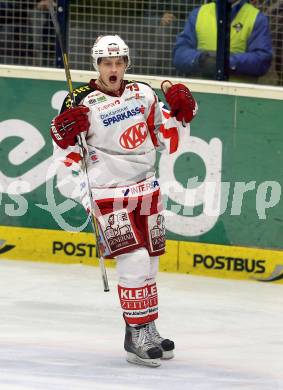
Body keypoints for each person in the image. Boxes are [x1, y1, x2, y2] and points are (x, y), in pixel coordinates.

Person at [50, 35, 197, 367]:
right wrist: (63, 133)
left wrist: (182, 113)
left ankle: (148, 327)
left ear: (127, 64)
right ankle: (135, 335)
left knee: (150, 263)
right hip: (107, 192)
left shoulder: (143, 92)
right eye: (106, 63)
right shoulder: (80, 100)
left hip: (146, 189)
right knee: (133, 261)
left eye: (119, 63)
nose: (113, 69)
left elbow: (164, 138)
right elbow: (64, 152)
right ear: (96, 65)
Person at [173, 0, 273, 83]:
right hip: (200, 95)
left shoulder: (256, 18)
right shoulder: (198, 14)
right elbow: (179, 54)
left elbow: (262, 60)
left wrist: (227, 62)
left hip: (239, 99)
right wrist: (201, 59)